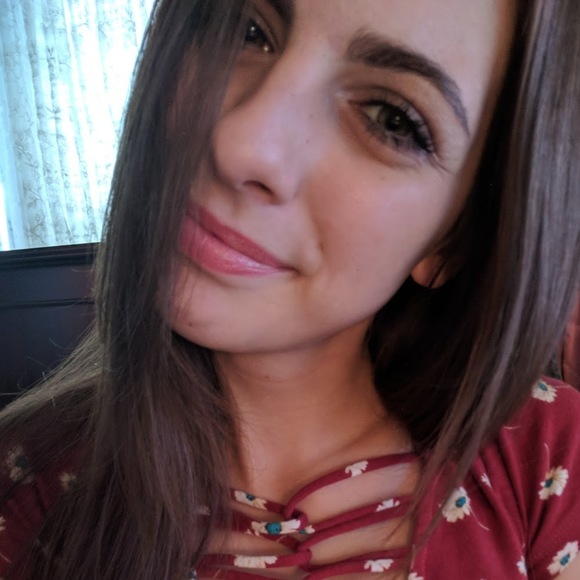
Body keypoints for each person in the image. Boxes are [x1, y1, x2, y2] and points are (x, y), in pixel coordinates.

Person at [1, 0, 580, 578]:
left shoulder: (550, 457)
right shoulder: (27, 483)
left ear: (454, 240)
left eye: (391, 119)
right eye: (246, 30)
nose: (235, 142)